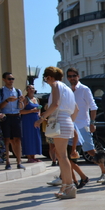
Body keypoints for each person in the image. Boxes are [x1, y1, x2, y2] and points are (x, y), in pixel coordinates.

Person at [34, 67, 79, 199]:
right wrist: (69, 121)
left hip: (59, 120)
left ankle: (69, 186)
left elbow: (55, 104)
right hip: (66, 120)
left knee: (62, 156)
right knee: (61, 155)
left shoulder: (55, 85)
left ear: (49, 77)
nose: (45, 80)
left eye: (45, 78)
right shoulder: (67, 88)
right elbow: (76, 109)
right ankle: (65, 186)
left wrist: (42, 118)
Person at [67, 68, 105, 184]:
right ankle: (64, 175)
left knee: (90, 151)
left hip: (83, 125)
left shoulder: (84, 89)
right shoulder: (68, 90)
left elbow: (93, 107)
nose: (72, 78)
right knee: (68, 152)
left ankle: (104, 172)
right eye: (69, 76)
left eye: (74, 75)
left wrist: (92, 123)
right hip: (70, 126)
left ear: (78, 76)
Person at [0, 72, 25, 170]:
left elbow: (20, 107)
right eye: (9, 79)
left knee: (17, 139)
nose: (11, 81)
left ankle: (19, 161)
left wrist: (20, 101)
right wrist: (7, 100)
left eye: (12, 79)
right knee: (6, 140)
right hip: (6, 117)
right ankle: (7, 162)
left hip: (16, 116)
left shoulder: (18, 91)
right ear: (4, 79)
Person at [20, 84, 42, 163]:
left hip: (35, 120)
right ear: (27, 90)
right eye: (29, 88)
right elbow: (21, 111)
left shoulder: (36, 99)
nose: (31, 89)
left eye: (32, 88)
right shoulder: (25, 99)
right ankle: (29, 157)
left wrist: (39, 116)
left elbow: (39, 109)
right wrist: (31, 111)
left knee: (35, 137)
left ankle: (34, 156)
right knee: (28, 137)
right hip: (27, 120)